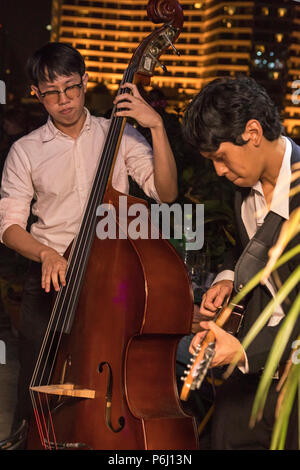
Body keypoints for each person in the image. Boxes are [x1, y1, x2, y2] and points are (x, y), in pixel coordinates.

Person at [0, 42, 178, 436]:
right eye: (51, 93)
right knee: (37, 391)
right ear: (36, 93)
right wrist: (45, 253)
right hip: (50, 282)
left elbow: (165, 193)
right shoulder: (25, 151)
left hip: (112, 278)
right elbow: (9, 227)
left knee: (107, 378)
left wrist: (156, 126)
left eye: (71, 88)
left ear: (85, 82)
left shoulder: (120, 133)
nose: (64, 101)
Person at [182, 76, 300, 450]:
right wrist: (229, 277)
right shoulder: (243, 193)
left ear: (252, 132)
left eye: (221, 157)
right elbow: (250, 248)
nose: (218, 171)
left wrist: (247, 351)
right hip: (251, 363)